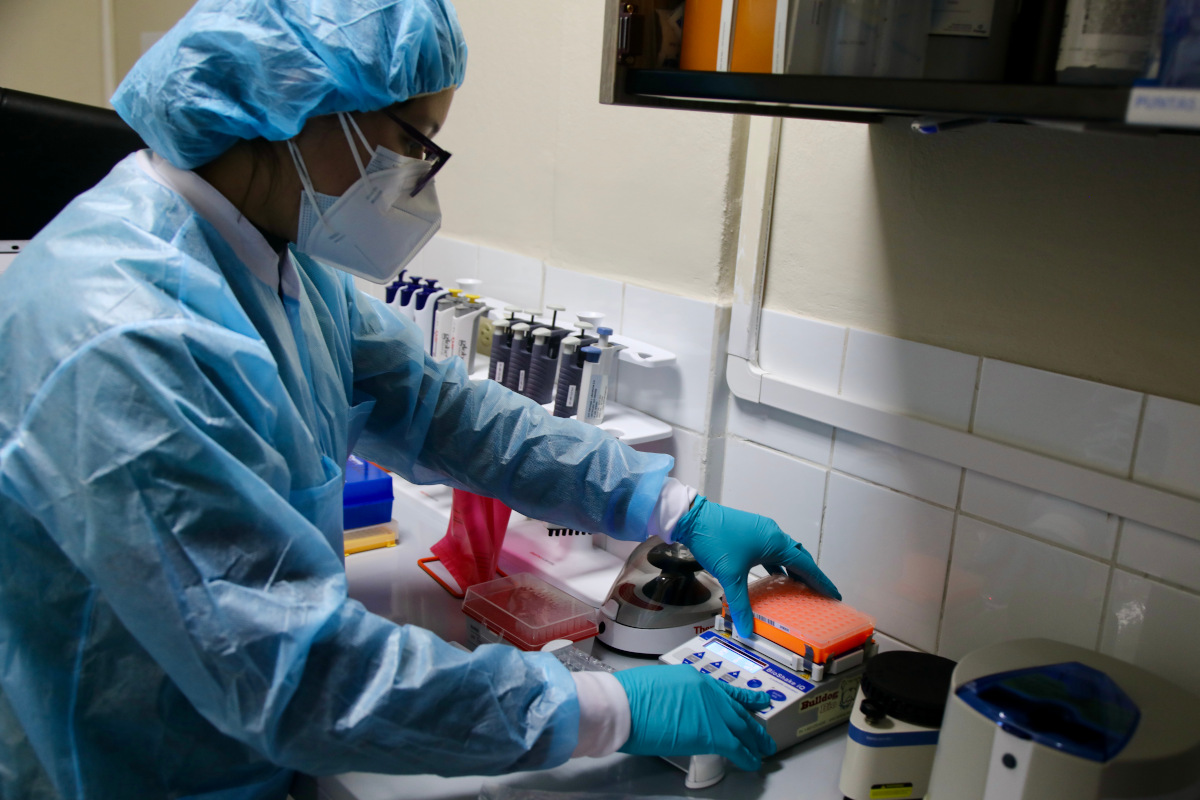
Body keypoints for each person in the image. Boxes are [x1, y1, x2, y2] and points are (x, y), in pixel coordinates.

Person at [0, 0, 840, 797]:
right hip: (123, 770)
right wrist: (609, 708)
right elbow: (296, 682)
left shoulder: (271, 261)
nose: (417, 181)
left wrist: (664, 503)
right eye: (414, 141)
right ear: (304, 105)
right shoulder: (129, 332)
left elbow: (441, 411)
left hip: (226, 754)